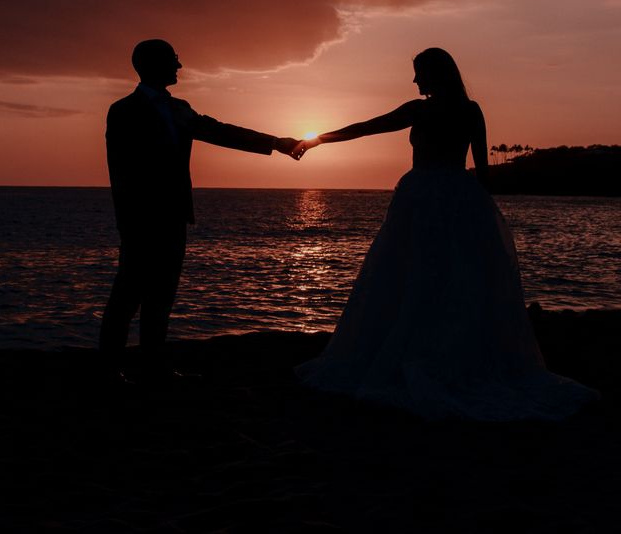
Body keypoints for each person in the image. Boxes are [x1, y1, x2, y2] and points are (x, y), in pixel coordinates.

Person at [293, 48, 598, 420]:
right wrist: (483, 213)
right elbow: (482, 170)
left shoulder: (420, 110)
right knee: (457, 279)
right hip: (461, 197)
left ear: (435, 74)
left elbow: (366, 127)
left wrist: (317, 139)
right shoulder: (471, 110)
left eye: (419, 73)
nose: (415, 81)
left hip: (423, 198)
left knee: (413, 275)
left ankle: (417, 353)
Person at [99, 38, 300, 383]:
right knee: (128, 294)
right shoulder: (124, 111)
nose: (179, 67)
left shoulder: (181, 109)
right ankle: (107, 370)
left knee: (162, 295)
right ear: (152, 64)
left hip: (175, 215)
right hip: (140, 219)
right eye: (173, 60)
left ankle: (152, 366)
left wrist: (275, 143)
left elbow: (219, 131)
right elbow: (120, 170)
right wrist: (127, 220)